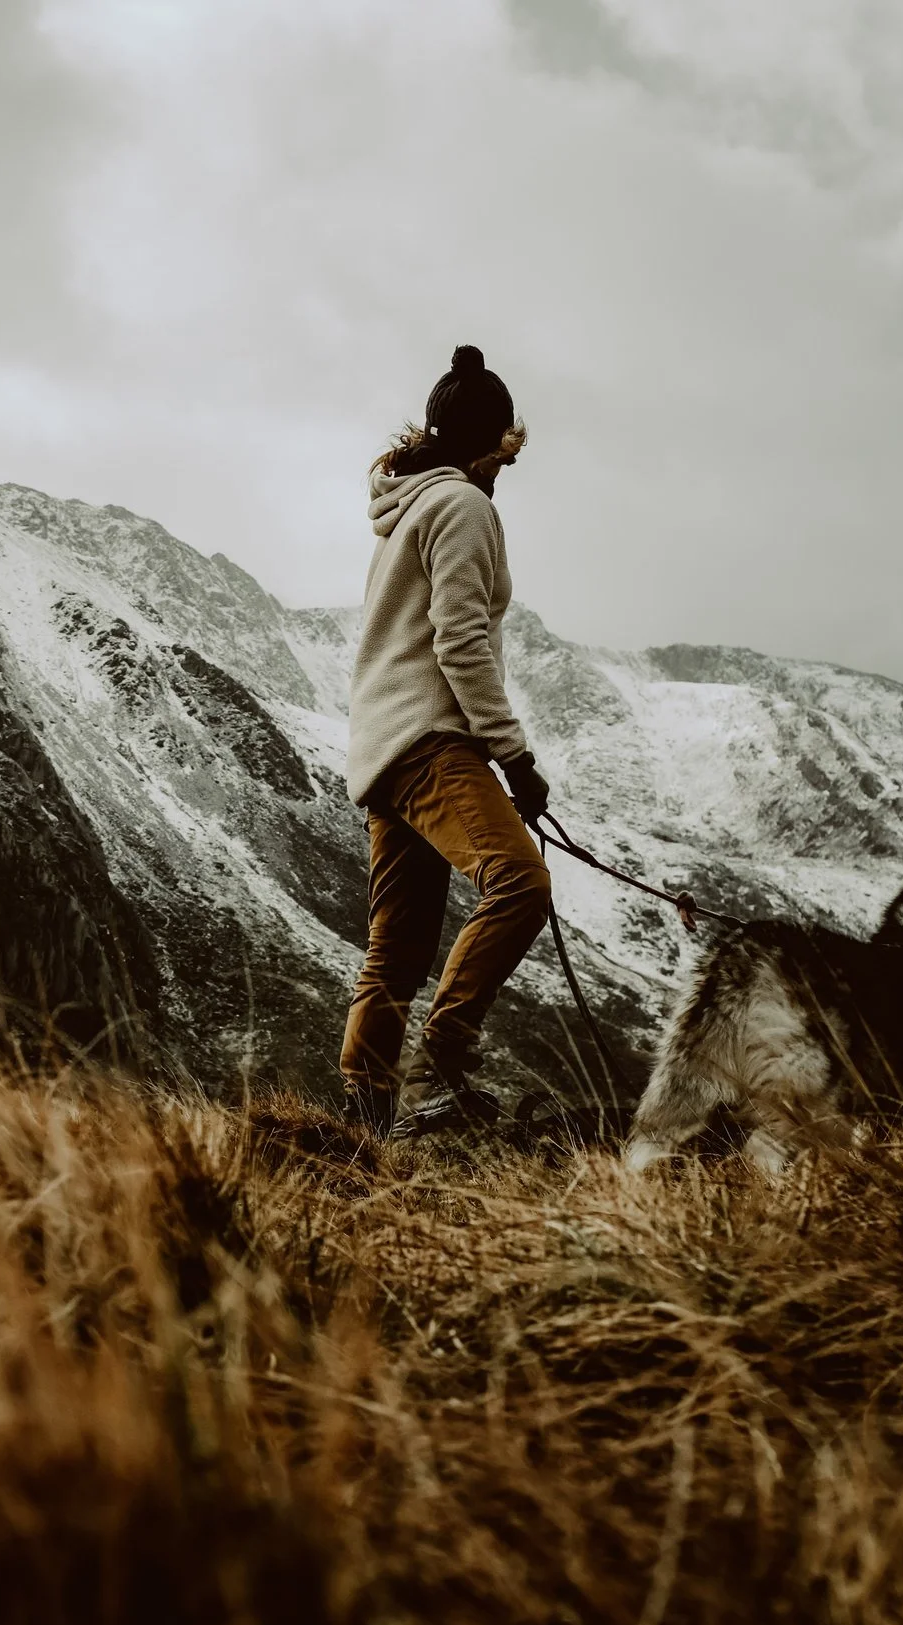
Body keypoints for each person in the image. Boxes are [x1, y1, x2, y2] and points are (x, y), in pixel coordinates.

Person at [340, 345, 553, 1138]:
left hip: (383, 753)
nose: (506, 469)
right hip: (433, 745)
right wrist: (515, 757)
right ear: (486, 445)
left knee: (395, 948)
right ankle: (441, 1063)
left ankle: (362, 1119)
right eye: (504, 453)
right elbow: (459, 640)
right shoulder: (462, 506)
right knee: (520, 886)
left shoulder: (402, 512)